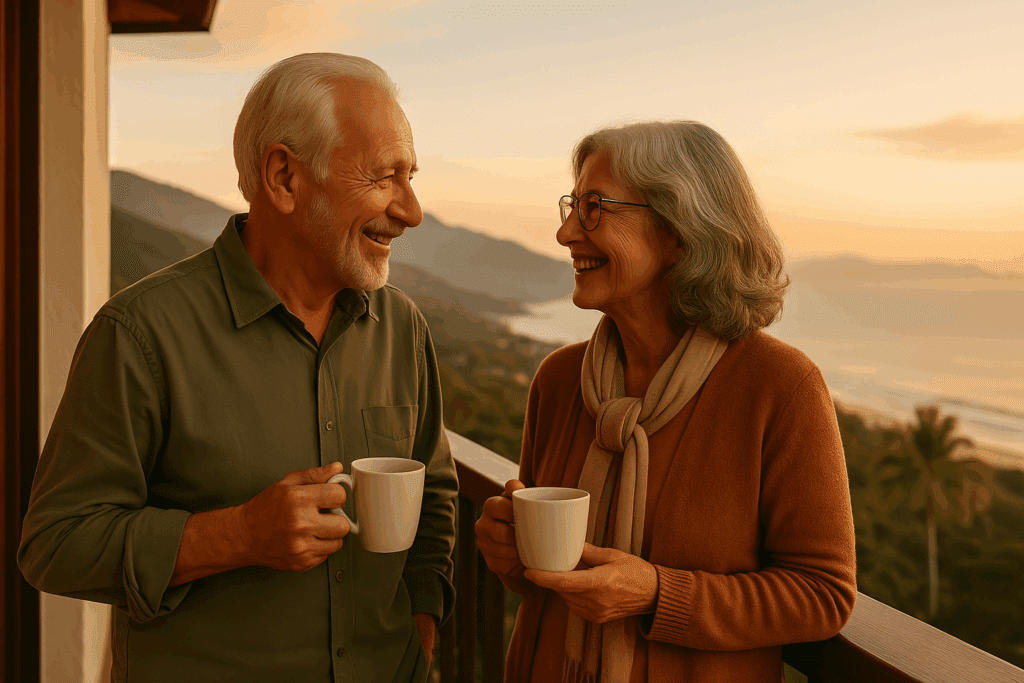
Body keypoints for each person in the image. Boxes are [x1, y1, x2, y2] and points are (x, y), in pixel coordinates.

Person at [18, 53, 457, 683]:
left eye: (409, 176)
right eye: (385, 178)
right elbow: (55, 545)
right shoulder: (141, 335)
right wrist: (236, 535)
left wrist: (423, 623)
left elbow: (436, 495)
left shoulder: (403, 329)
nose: (411, 211)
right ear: (283, 176)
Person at [475, 120, 856, 682]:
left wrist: (656, 594)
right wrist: (508, 550)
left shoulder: (779, 386)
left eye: (595, 207)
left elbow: (822, 595)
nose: (564, 234)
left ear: (679, 233)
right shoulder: (559, 380)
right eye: (572, 205)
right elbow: (546, 575)